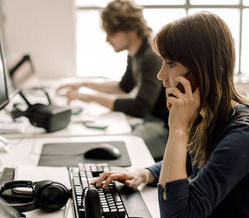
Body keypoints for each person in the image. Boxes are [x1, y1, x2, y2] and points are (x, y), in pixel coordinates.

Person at [92, 12, 249, 218]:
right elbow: (191, 158)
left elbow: (174, 217)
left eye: (171, 63)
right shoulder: (211, 111)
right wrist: (146, 173)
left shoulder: (246, 134)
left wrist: (177, 129)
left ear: (201, 67)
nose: (161, 75)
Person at [56, 0, 168, 161]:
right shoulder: (136, 52)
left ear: (130, 30)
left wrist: (89, 97)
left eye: (112, 33)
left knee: (119, 152)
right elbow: (124, 87)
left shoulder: (150, 56)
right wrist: (84, 84)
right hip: (150, 121)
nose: (107, 39)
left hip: (164, 129)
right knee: (104, 140)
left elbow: (140, 107)